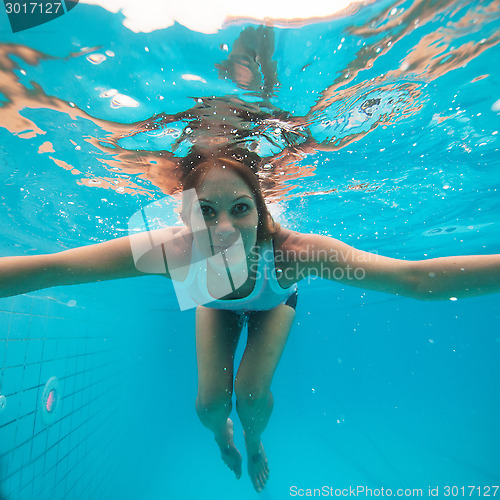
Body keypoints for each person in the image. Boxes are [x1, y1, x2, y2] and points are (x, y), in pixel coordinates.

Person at [1, 147, 500, 493]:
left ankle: (255, 443)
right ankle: (225, 438)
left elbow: (413, 279)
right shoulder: (172, 251)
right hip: (215, 306)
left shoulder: (295, 254)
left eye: (240, 208)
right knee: (208, 408)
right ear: (187, 219)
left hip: (271, 300)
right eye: (206, 212)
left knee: (252, 396)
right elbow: (52, 268)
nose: (223, 230)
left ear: (260, 213)